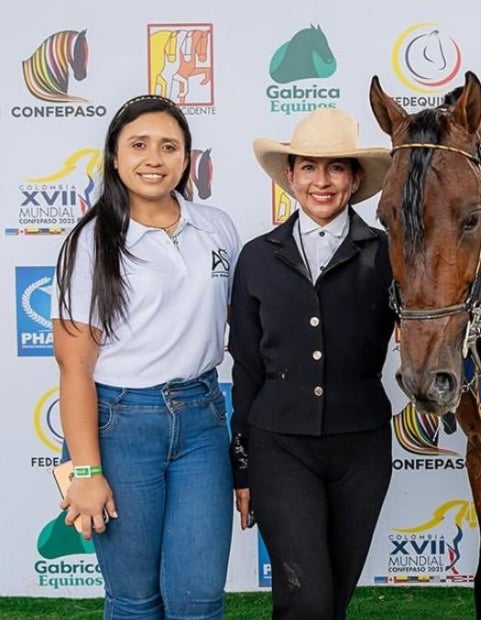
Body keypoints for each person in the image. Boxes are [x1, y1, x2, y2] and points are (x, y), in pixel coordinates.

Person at [52, 94, 240, 618]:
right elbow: (74, 367)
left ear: (186, 159)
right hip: (120, 425)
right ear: (114, 155)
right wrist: (86, 471)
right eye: (138, 145)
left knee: (198, 600)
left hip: (203, 420)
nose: (153, 158)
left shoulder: (218, 227)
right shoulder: (90, 242)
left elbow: (241, 326)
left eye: (168, 146)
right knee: (134, 600)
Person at [229, 107, 396, 619]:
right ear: (291, 177)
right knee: (307, 599)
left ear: (355, 178)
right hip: (278, 446)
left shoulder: (391, 253)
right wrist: (243, 467)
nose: (321, 182)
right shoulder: (258, 256)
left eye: (335, 168)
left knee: (335, 598)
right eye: (308, 168)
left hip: (361, 444)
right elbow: (246, 366)